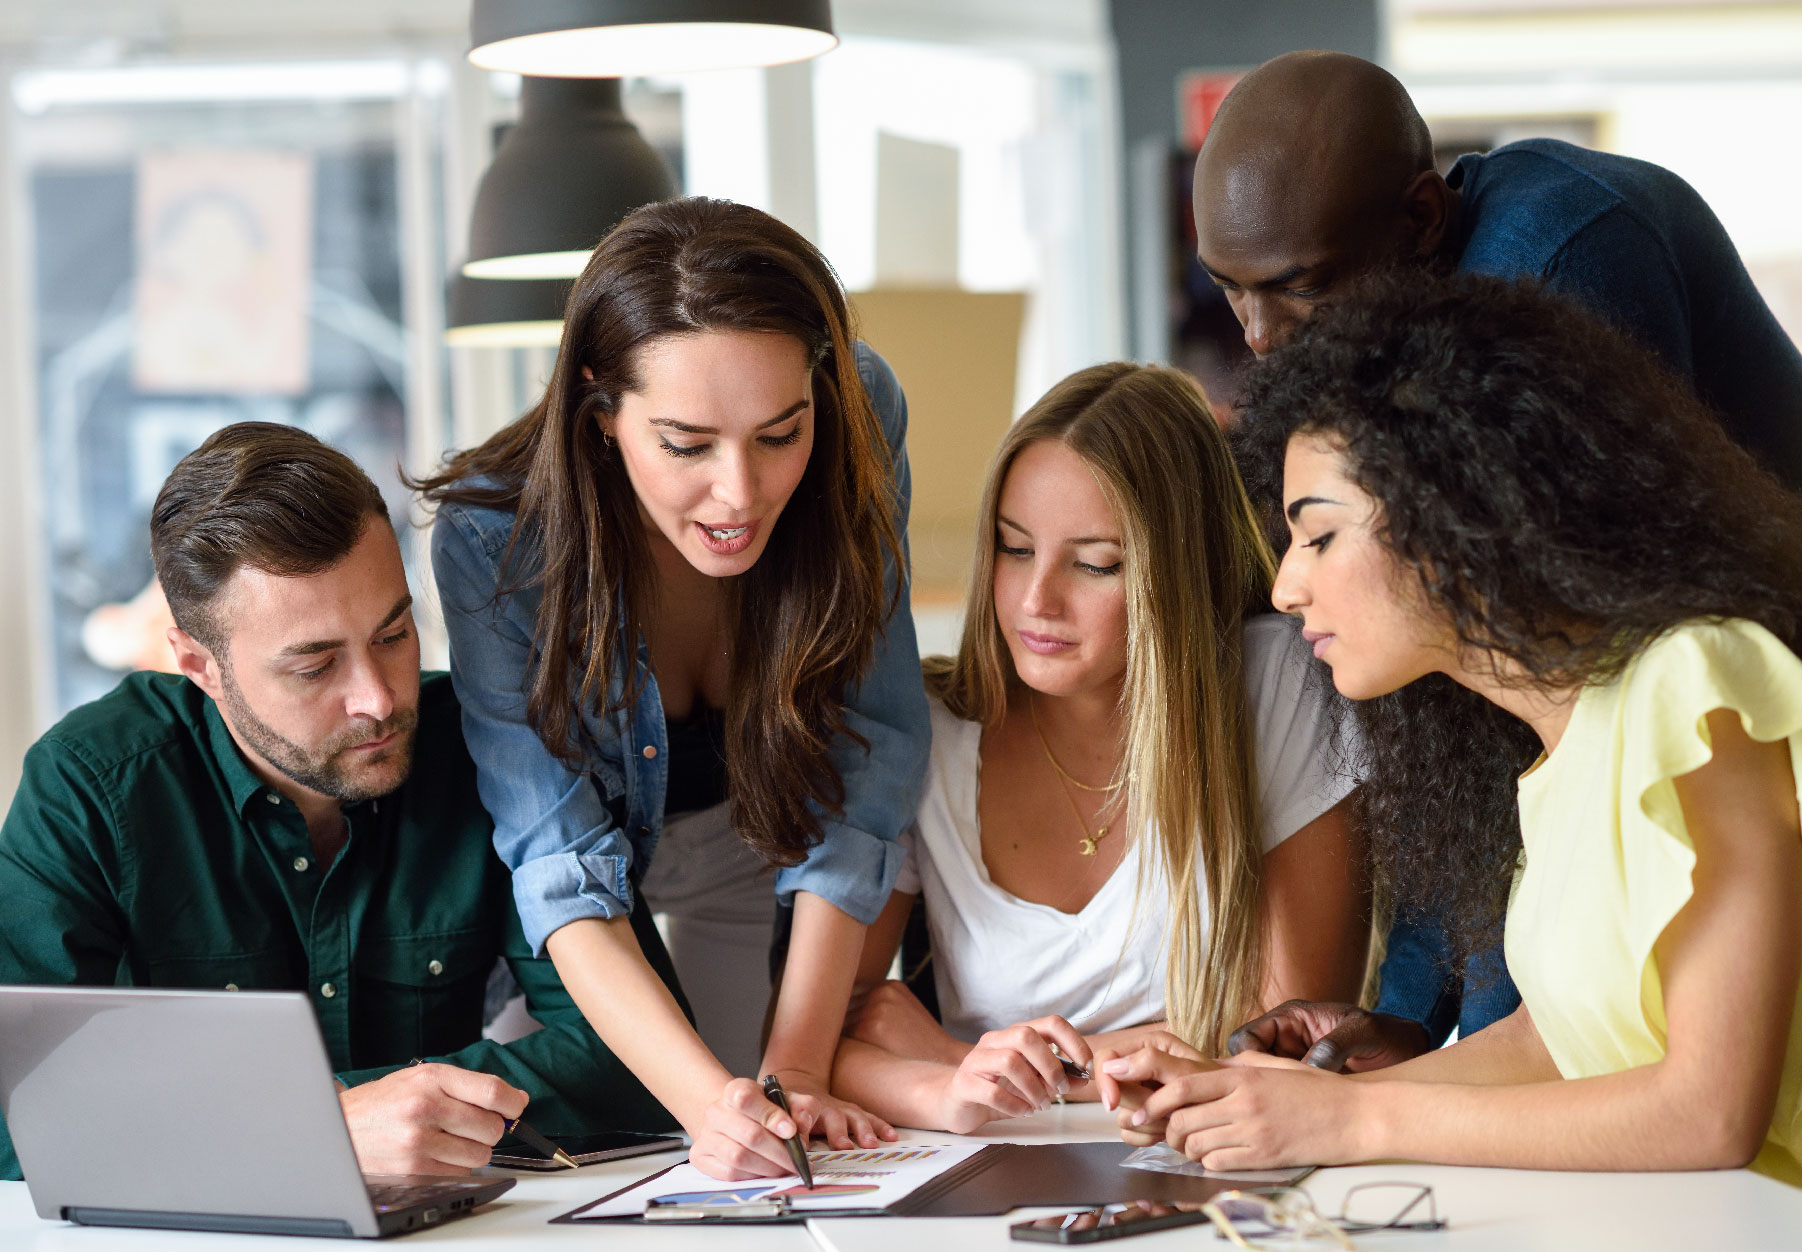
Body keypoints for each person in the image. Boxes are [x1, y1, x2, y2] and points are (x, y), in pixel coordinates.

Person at [1099, 272, 1802, 1186]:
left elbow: (1709, 1113)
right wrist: (1262, 1096)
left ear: (1454, 512)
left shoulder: (1694, 687)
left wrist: (1352, 1121)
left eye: (1317, 536)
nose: (1284, 587)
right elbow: (1558, 1043)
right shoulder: (1557, 747)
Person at [1191, 48, 1802, 1068]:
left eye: (1297, 286)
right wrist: (1404, 1018)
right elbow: (1460, 707)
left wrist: (1444, 1048)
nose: (1258, 337)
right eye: (1227, 291)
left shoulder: (1555, 273)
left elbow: (1522, 706)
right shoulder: (1405, 329)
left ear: (1422, 220)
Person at [0, 423, 673, 1182]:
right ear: (199, 665)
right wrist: (312, 1127)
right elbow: (16, 1118)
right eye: (314, 667)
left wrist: (372, 1117)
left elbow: (639, 1061)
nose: (379, 700)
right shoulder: (90, 787)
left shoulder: (486, 751)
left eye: (393, 634)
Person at [418, 197, 930, 1182]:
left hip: (772, 836)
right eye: (687, 445)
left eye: (780, 434)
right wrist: (711, 1107)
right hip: (590, 900)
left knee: (788, 1143)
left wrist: (792, 1069)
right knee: (633, 1149)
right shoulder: (493, 537)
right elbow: (559, 863)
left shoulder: (862, 412)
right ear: (599, 411)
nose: (739, 493)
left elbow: (868, 752)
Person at [828, 363, 1368, 1133]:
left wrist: (962, 1059)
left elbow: (1287, 1039)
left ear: (1175, 572)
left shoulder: (1277, 684)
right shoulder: (929, 730)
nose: (1035, 601)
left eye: (1094, 564)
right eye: (1014, 550)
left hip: (1216, 1158)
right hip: (990, 1171)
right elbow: (831, 1042)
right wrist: (947, 1087)